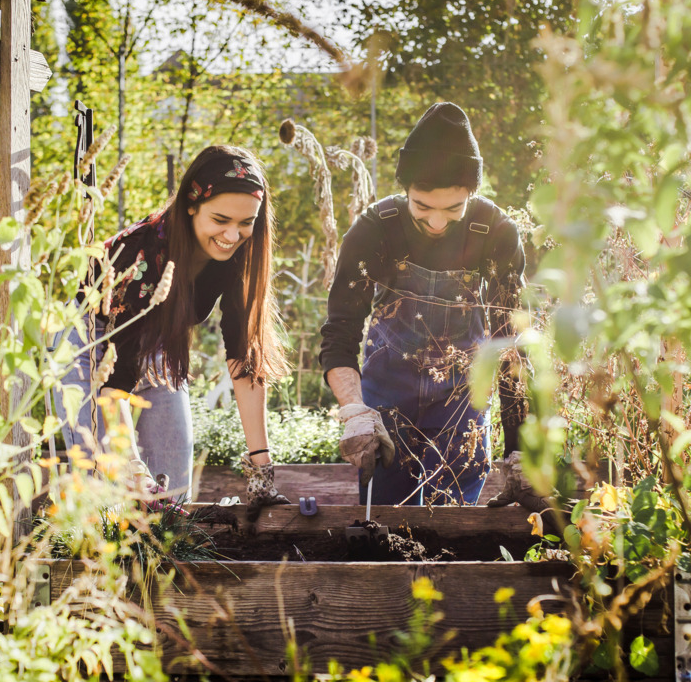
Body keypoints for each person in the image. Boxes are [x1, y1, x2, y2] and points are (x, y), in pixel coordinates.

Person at [320, 102, 541, 508]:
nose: (437, 223)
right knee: (383, 518)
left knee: (453, 525)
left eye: (453, 209)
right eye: (422, 207)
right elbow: (340, 331)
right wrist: (354, 411)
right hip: (386, 398)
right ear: (405, 187)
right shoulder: (375, 229)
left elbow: (510, 343)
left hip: (462, 400)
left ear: (472, 193)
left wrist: (519, 447)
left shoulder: (495, 232)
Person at [55, 145, 290, 520]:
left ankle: (160, 576)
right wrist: (131, 468)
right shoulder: (143, 257)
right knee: (109, 493)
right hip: (92, 345)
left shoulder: (239, 254)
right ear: (191, 205)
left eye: (247, 223)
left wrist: (262, 472)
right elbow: (115, 384)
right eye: (221, 219)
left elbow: (244, 361)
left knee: (171, 494)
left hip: (159, 344)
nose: (233, 234)